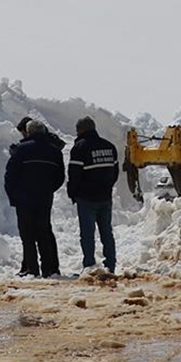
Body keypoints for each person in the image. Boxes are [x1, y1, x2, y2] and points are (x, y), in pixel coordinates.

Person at [4, 119, 65, 277]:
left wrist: (14, 195)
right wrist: (48, 190)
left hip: (24, 199)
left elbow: (10, 175)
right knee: (44, 232)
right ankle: (49, 269)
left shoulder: (21, 150)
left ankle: (31, 269)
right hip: (44, 198)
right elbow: (60, 177)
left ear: (28, 132)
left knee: (27, 235)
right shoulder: (54, 151)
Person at [67, 116, 119, 274]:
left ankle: (89, 266)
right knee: (107, 232)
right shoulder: (109, 146)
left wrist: (73, 193)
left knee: (87, 234)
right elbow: (115, 172)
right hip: (105, 197)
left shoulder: (80, 148)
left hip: (87, 198)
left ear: (80, 130)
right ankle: (110, 265)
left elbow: (74, 175)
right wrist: (107, 187)